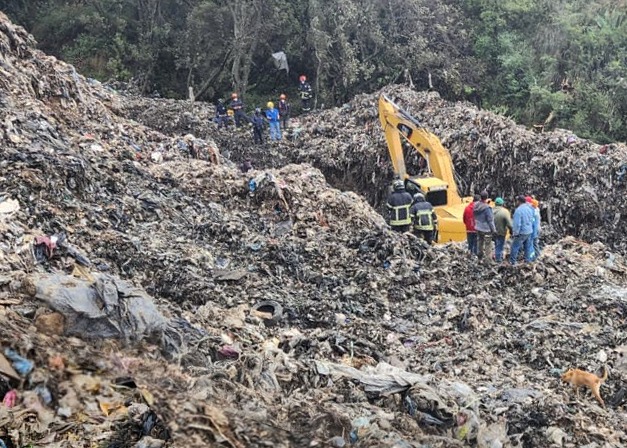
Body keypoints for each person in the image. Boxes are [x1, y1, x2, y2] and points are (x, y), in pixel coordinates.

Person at [509, 195, 535, 265]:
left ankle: (512, 262)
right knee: (527, 247)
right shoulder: (529, 209)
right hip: (529, 231)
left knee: (515, 246)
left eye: (517, 201)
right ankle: (527, 261)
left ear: (519, 201)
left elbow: (517, 224)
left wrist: (515, 233)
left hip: (522, 232)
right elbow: (532, 220)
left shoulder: (518, 210)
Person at [473, 191, 497, 260]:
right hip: (486, 229)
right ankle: (488, 260)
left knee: (479, 242)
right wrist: (494, 230)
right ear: (487, 197)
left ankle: (479, 257)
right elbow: (490, 221)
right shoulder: (487, 208)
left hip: (478, 227)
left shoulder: (476, 205)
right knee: (488, 245)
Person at [493, 197, 513, 263]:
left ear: (495, 203)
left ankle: (496, 256)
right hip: (501, 232)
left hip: (491, 232)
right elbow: (509, 224)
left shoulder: (490, 210)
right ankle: (498, 260)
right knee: (499, 246)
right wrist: (511, 231)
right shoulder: (505, 212)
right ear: (502, 204)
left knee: (496, 245)